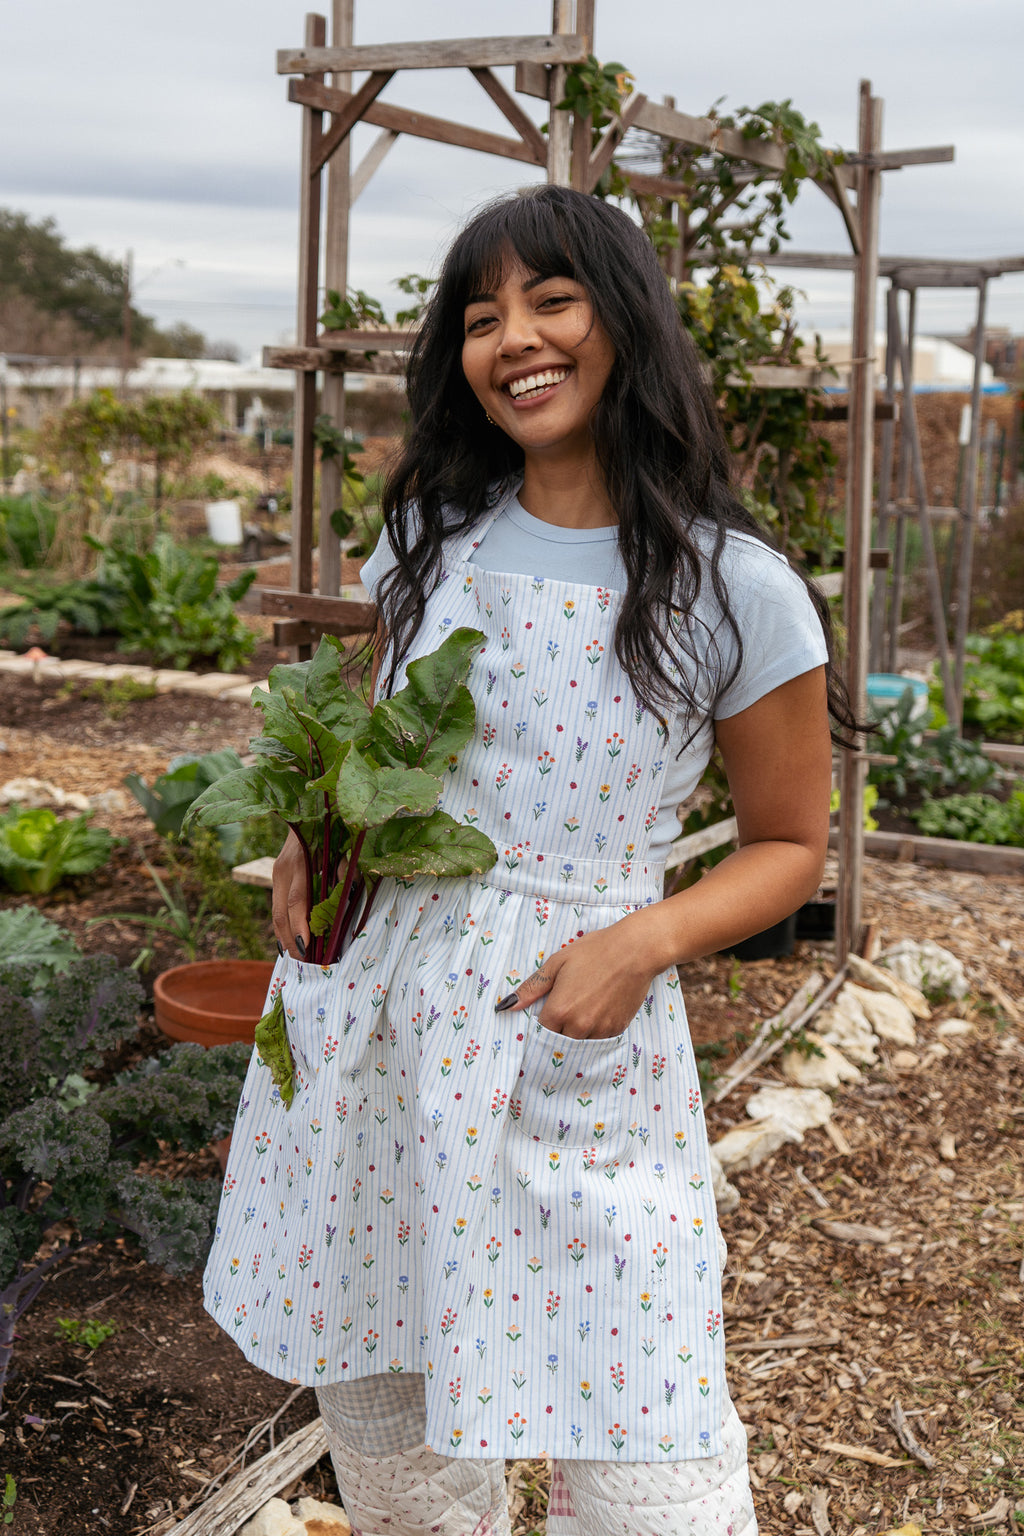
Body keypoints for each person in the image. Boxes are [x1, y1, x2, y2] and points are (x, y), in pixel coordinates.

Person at [205, 185, 849, 1536]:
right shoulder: (430, 542)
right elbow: (381, 752)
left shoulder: (733, 583)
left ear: (623, 324)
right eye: (483, 315)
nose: (516, 338)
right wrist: (309, 840)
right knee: (387, 1376)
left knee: (637, 1423)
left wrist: (642, 941)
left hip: (566, 1011)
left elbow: (794, 846)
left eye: (550, 300)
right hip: (379, 1004)